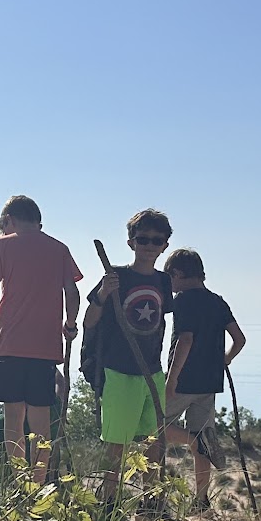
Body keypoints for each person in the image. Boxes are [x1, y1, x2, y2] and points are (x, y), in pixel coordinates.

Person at [0, 196, 83, 484]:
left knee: (13, 418)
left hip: (9, 342)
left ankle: (20, 482)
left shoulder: (2, 245)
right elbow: (72, 291)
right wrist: (70, 324)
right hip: (45, 346)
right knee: (41, 418)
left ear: (9, 220)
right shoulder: (59, 249)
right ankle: (38, 483)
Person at [83, 208, 174, 504]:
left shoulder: (163, 282)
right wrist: (102, 295)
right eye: (143, 238)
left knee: (155, 441)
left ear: (165, 245)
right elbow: (89, 321)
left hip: (152, 369)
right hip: (119, 370)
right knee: (117, 444)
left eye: (156, 240)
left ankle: (151, 503)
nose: (149, 245)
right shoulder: (116, 277)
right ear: (131, 241)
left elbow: (162, 322)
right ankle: (109, 503)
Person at [161, 248, 246, 512]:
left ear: (176, 274)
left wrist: (172, 379)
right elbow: (239, 339)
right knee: (203, 434)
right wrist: (226, 359)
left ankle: (194, 441)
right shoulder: (217, 301)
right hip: (210, 383)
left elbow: (185, 340)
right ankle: (201, 500)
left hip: (184, 380)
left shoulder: (183, 301)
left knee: (151, 429)